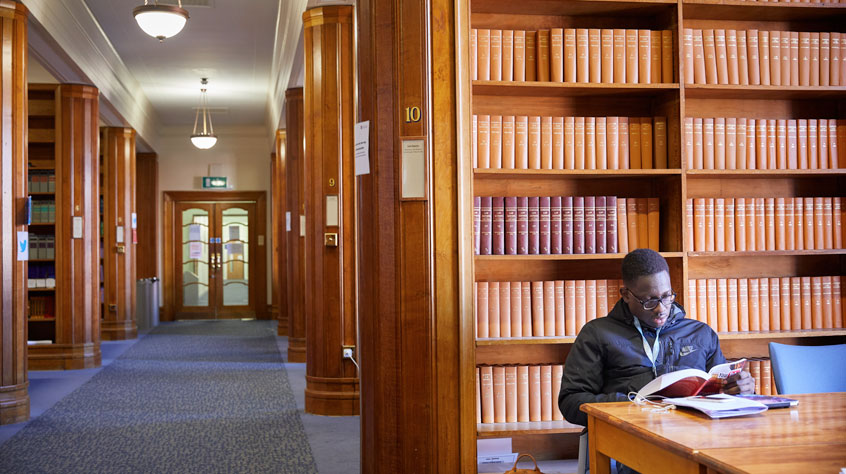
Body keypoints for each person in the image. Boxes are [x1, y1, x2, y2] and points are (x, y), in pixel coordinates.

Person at [558, 248, 755, 429]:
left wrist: (740, 390)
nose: (661, 309)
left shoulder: (700, 333)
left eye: (667, 296)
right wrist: (631, 406)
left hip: (696, 433)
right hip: (629, 436)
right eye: (650, 301)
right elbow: (571, 402)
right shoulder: (598, 334)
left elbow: (722, 392)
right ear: (626, 295)